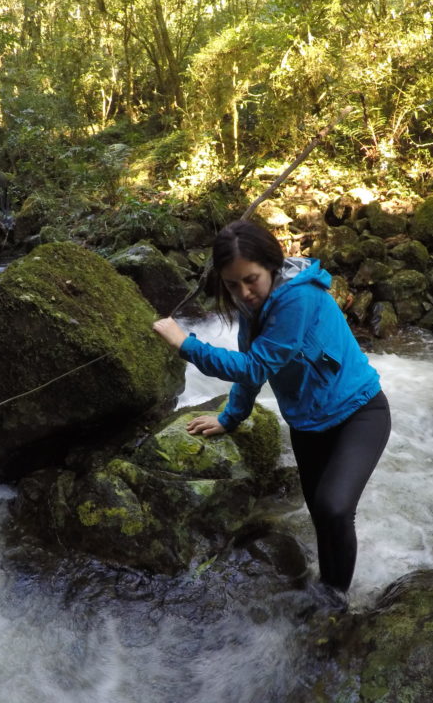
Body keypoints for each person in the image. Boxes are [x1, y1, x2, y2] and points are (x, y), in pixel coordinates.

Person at [152, 219, 391, 605]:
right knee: (322, 514)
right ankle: (326, 589)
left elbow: (254, 368)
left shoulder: (299, 299)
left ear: (273, 267)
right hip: (309, 424)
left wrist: (186, 345)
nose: (244, 293)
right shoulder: (255, 307)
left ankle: (335, 600)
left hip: (359, 413)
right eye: (232, 284)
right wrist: (229, 417)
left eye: (252, 279)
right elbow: (252, 368)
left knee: (334, 507)